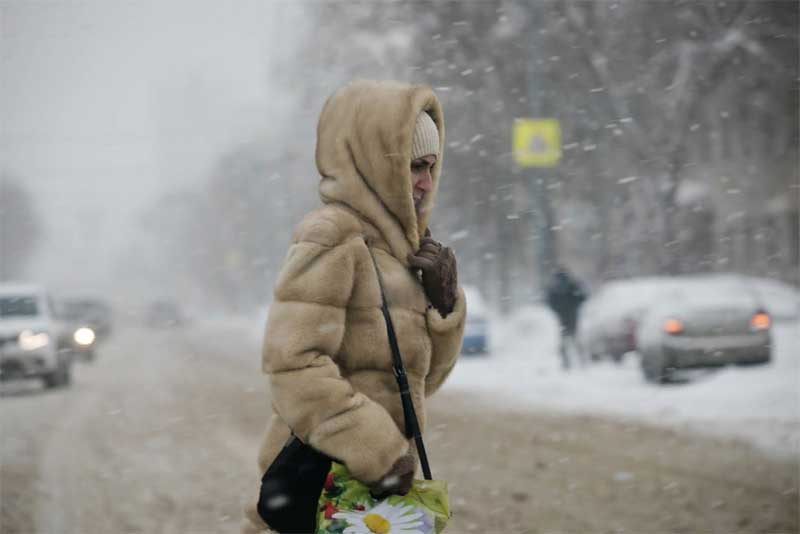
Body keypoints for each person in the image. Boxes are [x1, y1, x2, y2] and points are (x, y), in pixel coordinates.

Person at [243, 80, 466, 533]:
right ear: (375, 164)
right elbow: (292, 366)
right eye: (413, 166)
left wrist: (443, 307)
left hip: (367, 503)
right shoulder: (332, 236)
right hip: (320, 493)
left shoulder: (403, 253)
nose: (425, 183)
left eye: (432, 167)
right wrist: (378, 449)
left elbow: (420, 386)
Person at [546, 266, 587, 370]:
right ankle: (581, 362)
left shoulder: (556, 288)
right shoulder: (572, 286)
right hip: (572, 317)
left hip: (563, 318)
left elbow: (550, 302)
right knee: (575, 341)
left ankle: (567, 363)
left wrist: (558, 310)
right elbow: (582, 298)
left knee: (565, 343)